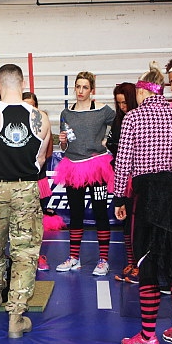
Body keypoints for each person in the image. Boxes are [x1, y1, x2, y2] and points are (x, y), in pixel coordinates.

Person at [114, 62, 172, 344]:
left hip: (147, 194)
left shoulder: (134, 118)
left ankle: (148, 336)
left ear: (141, 91)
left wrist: (119, 199)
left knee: (147, 262)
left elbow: (123, 162)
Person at [0, 63, 50, 338]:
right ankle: (16, 316)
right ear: (23, 84)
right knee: (25, 253)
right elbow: (40, 161)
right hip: (26, 188)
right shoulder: (42, 118)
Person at [54, 71, 115, 276]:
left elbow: (121, 123)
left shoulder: (103, 111)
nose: (80, 91)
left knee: (99, 212)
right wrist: (62, 142)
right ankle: (74, 257)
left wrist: (108, 142)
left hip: (96, 167)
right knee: (76, 213)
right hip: (73, 167)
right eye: (78, 87)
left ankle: (104, 260)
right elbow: (64, 146)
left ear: (92, 90)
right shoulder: (66, 113)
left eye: (85, 87)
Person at [22, 91, 61, 272]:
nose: (30, 109)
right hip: (19, 182)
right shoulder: (15, 127)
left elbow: (48, 153)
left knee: (37, 221)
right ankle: (22, 257)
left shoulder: (43, 125)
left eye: (32, 105)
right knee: (19, 222)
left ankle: (38, 255)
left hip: (38, 179)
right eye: (26, 105)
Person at [105, 82, 138, 283]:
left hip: (138, 177)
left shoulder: (138, 119)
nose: (123, 107)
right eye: (119, 104)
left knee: (137, 223)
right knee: (126, 222)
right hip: (122, 175)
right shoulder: (119, 120)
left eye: (125, 102)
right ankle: (131, 261)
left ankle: (139, 264)